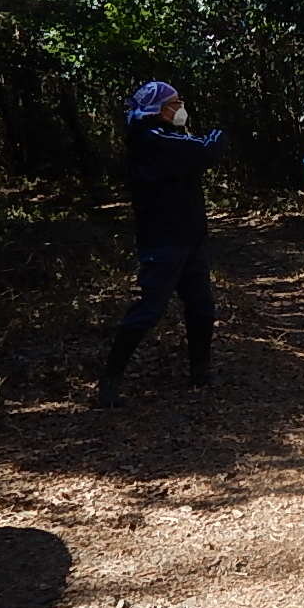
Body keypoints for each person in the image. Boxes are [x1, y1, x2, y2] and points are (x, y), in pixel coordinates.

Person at [95, 82, 226, 408]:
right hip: (164, 242)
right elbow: (206, 150)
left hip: (189, 240)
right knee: (148, 311)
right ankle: (109, 382)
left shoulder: (164, 137)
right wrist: (220, 134)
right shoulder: (151, 140)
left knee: (201, 307)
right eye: (175, 103)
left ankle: (200, 372)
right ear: (159, 108)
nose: (180, 108)